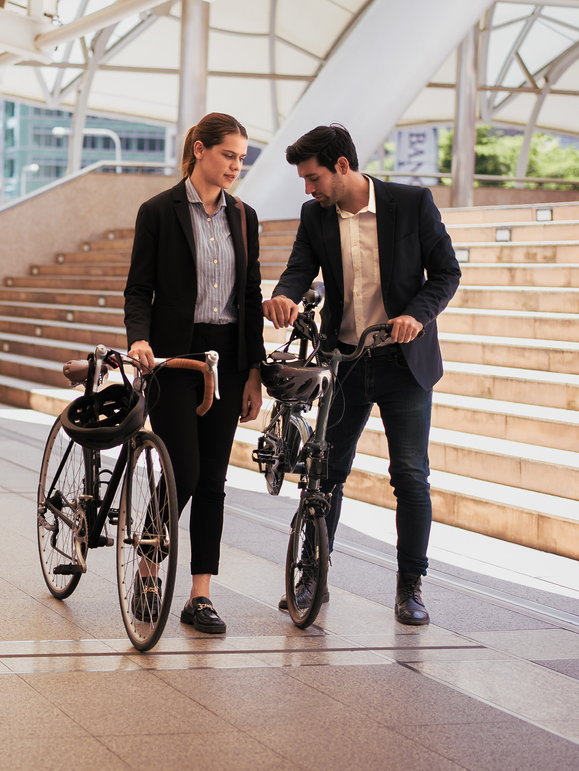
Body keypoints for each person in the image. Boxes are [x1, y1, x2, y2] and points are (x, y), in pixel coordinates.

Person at [262, 124, 460, 625]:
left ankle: (410, 586)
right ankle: (313, 575)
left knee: (410, 477)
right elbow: (299, 267)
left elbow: (446, 272)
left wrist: (417, 313)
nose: (308, 189)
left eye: (313, 177)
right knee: (324, 476)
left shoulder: (411, 203)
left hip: (404, 364)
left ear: (342, 166)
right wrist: (285, 294)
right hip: (345, 363)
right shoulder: (316, 215)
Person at [124, 112, 264, 634]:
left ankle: (200, 594)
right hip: (174, 357)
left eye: (242, 159)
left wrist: (253, 373)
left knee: (214, 479)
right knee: (184, 466)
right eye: (229, 155)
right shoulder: (158, 211)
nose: (235, 166)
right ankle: (145, 569)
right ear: (200, 150)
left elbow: (248, 298)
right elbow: (139, 289)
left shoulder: (245, 217)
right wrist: (139, 338)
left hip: (226, 356)